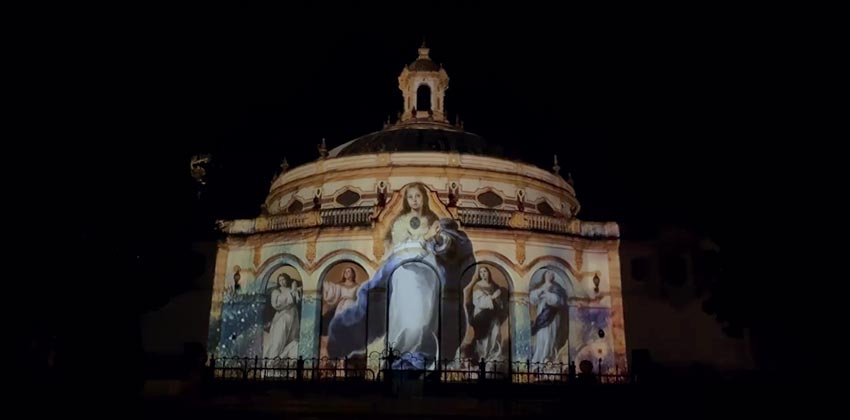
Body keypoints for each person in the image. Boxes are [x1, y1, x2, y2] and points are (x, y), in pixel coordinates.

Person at [327, 183, 475, 370]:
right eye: (411, 196)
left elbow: (443, 245)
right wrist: (426, 238)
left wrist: (438, 239)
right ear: (406, 200)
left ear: (424, 199)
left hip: (430, 272)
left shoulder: (432, 220)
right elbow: (401, 250)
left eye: (418, 196)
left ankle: (423, 356)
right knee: (408, 316)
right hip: (406, 271)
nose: (414, 200)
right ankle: (401, 355)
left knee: (428, 315)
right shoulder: (400, 222)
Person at [465, 266, 507, 362]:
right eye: (481, 272)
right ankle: (482, 356)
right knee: (483, 336)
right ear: (479, 275)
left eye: (485, 271)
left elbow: (499, 302)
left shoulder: (494, 286)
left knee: (495, 332)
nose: (483, 274)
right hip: (482, 315)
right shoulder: (477, 286)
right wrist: (492, 297)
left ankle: (492, 355)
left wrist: (499, 297)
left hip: (493, 315)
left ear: (489, 273)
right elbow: (477, 302)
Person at [529, 270, 568, 364]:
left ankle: (548, 357)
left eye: (552, 273)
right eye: (548, 273)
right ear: (544, 275)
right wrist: (538, 292)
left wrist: (547, 295)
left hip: (552, 314)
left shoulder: (556, 287)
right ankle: (540, 357)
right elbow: (533, 299)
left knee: (550, 335)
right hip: (542, 313)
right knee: (541, 335)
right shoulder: (540, 287)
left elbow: (560, 301)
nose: (551, 274)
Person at [263, 273, 302, 359]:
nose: (282, 282)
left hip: (293, 316)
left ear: (287, 279)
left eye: (283, 279)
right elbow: (276, 304)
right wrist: (291, 292)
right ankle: (272, 362)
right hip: (282, 317)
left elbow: (297, 299)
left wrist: (294, 290)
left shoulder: (292, 289)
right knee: (278, 339)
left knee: (292, 339)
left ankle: (284, 363)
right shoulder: (277, 291)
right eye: (280, 280)